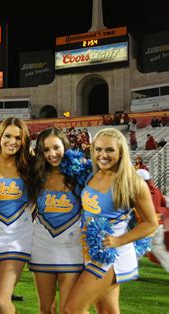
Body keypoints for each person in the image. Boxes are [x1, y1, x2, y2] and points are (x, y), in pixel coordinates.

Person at [64, 128, 158, 314]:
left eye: (109, 150)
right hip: (89, 252)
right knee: (108, 311)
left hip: (111, 255)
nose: (102, 155)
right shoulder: (93, 174)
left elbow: (151, 223)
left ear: (121, 151)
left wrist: (118, 241)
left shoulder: (132, 182)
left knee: (72, 308)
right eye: (98, 150)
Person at [0, 116, 34, 313]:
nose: (12, 142)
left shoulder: (30, 162)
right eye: (8, 136)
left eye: (18, 138)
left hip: (18, 237)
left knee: (2, 300)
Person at [30, 127, 86, 314]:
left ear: (65, 146)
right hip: (41, 246)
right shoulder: (37, 175)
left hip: (71, 249)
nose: (52, 154)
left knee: (68, 309)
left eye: (56, 147)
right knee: (46, 309)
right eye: (46, 150)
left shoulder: (80, 173)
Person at [136, 169, 169, 272]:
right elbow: (164, 203)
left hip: (149, 225)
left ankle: (132, 271)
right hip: (159, 224)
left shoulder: (141, 192)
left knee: (138, 248)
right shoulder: (156, 190)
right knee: (158, 249)